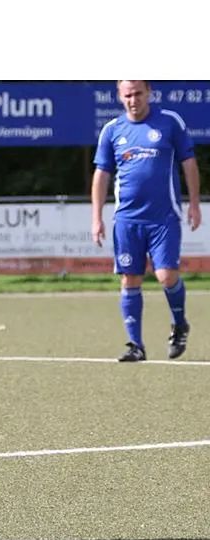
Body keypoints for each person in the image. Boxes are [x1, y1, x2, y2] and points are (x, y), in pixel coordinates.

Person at [92, 80, 202, 362]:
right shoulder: (112, 130)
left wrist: (193, 204)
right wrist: (97, 218)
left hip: (163, 217)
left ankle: (179, 324)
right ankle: (135, 345)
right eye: (127, 95)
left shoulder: (169, 122)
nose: (133, 100)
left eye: (138, 93)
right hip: (127, 220)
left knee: (166, 276)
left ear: (149, 93)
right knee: (130, 279)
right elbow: (102, 174)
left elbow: (188, 162)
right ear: (119, 96)